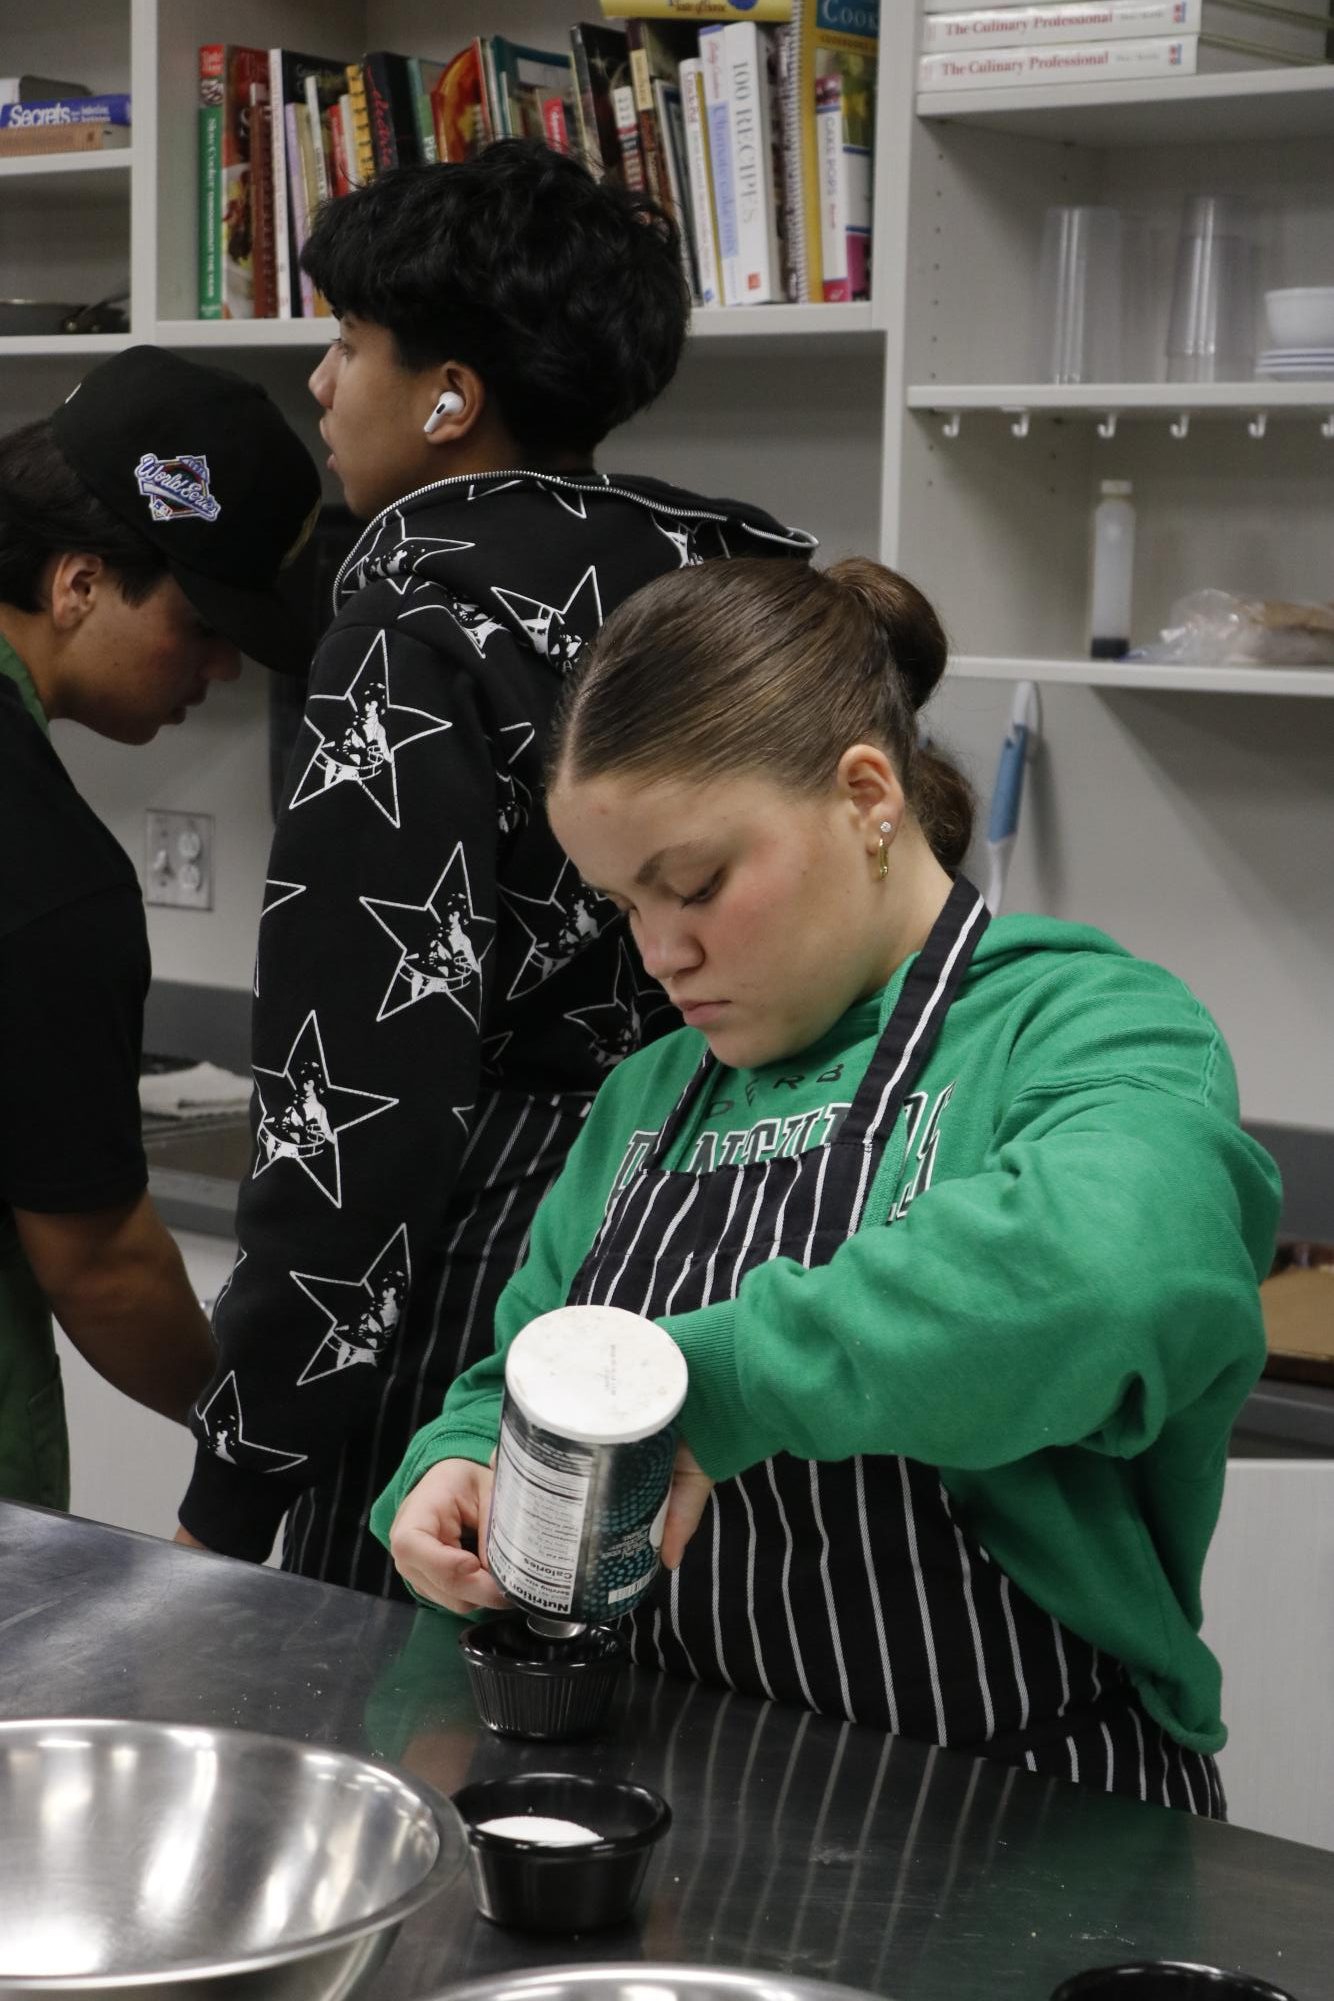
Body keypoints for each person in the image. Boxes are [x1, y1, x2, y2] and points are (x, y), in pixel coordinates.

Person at [373, 555, 1281, 1814]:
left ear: (866, 796)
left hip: (1022, 1810)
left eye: (694, 886)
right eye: (624, 905)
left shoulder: (1082, 1027)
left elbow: (1114, 1279)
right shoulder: (648, 1096)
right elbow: (525, 1368)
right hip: (690, 1786)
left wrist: (709, 1389)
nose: (661, 952)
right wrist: (461, 1465)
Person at [175, 141, 813, 1591]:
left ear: (450, 393)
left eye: (345, 343)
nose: (323, 387)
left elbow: (362, 1115)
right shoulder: (730, 593)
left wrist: (230, 1486)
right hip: (731, 1267)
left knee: (425, 1751)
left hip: (480, 1295)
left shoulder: (417, 627)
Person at [0, 345, 322, 1510]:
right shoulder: (45, 870)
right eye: (200, 621)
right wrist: (251, 1436)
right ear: (79, 583)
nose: (224, 664)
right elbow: (102, 1269)